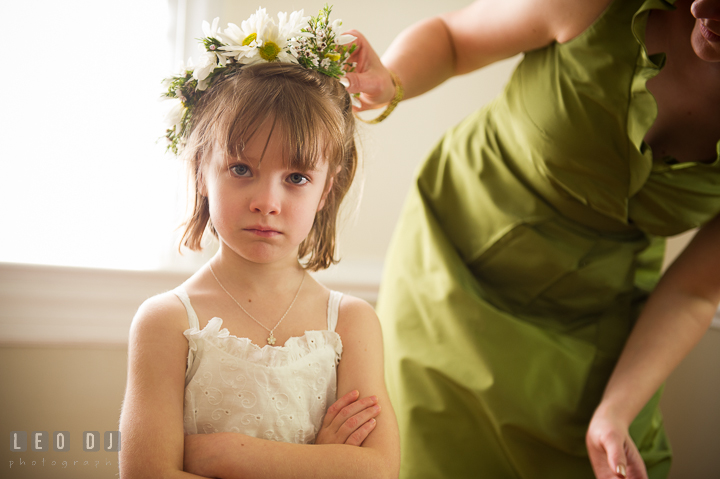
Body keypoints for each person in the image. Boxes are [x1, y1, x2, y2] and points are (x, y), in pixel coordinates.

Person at [342, 0, 720, 478]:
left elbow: (694, 290)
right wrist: (389, 80)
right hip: (455, 260)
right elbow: (454, 40)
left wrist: (616, 410)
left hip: (599, 316)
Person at [118, 7, 400, 479]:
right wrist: (319, 463)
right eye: (242, 169)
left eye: (295, 177)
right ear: (202, 172)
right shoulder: (166, 323)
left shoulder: (351, 324)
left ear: (325, 190)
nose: (267, 202)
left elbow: (376, 470)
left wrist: (227, 455)